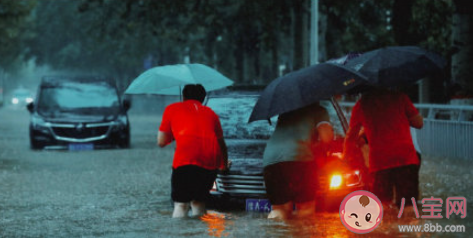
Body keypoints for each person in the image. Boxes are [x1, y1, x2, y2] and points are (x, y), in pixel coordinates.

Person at [344, 87, 423, 209]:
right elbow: (419, 123)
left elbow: (351, 136)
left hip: (380, 162)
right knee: (408, 207)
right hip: (405, 157)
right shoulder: (400, 97)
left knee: (382, 207)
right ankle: (410, 226)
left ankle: (387, 227)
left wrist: (345, 158)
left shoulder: (361, 104)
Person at [157, 84, 229, 218]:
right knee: (198, 202)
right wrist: (223, 166)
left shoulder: (172, 109)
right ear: (203, 98)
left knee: (181, 204)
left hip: (185, 159)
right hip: (210, 161)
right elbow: (222, 144)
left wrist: (176, 135)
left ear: (183, 96)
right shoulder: (211, 113)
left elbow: (161, 141)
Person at [262, 103, 329, 219]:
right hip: (300, 157)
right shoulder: (319, 110)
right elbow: (327, 137)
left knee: (280, 210)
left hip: (271, 159)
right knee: (306, 209)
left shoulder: (285, 111)